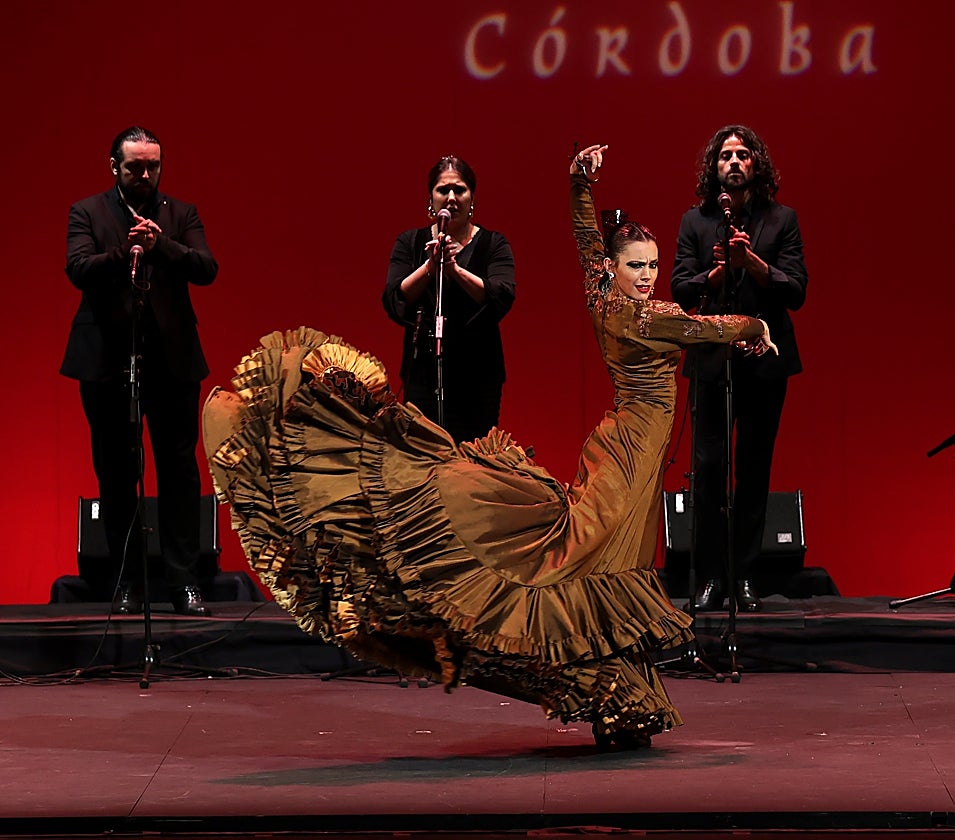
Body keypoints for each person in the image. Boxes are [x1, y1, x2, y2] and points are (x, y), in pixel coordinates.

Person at [201, 144, 775, 748]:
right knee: (591, 561)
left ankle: (617, 693)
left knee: (601, 562)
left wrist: (580, 186)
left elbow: (586, 244)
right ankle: (607, 688)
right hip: (631, 451)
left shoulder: (605, 296)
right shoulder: (640, 317)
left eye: (654, 264)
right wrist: (753, 328)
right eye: (637, 265)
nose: (649, 275)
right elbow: (707, 326)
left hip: (624, 442)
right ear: (616, 268)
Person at [61, 126, 218, 617]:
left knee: (178, 470)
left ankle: (183, 582)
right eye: (135, 167)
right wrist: (122, 252)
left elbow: (206, 267)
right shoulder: (87, 211)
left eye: (153, 166)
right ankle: (125, 583)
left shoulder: (180, 213)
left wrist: (161, 245)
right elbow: (77, 269)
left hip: (172, 360)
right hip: (107, 360)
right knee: (116, 472)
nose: (145, 174)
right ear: (115, 166)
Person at [670, 124, 808, 613]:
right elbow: (680, 290)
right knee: (708, 470)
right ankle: (709, 577)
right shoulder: (695, 220)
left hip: (765, 362)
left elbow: (796, 290)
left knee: (753, 469)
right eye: (725, 155)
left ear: (756, 165)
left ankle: (744, 575)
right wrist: (715, 273)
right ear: (714, 167)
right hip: (711, 361)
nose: (733, 162)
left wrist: (752, 264)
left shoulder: (781, 218)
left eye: (742, 154)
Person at [382, 156, 515, 443]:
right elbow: (395, 296)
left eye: (460, 189)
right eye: (443, 190)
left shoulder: (494, 244)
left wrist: (454, 269)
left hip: (478, 376)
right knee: (423, 458)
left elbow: (501, 294)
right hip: (423, 373)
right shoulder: (410, 242)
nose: (451, 198)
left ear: (472, 197)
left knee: (470, 466)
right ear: (431, 199)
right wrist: (430, 267)